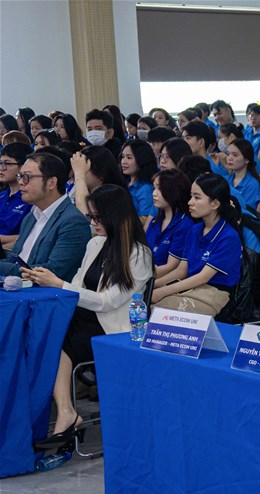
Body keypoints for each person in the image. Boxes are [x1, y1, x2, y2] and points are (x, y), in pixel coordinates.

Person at [27, 184, 151, 450]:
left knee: (58, 339)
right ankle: (64, 411)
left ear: (115, 217)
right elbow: (78, 284)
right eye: (90, 216)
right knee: (43, 331)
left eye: (97, 217)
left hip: (111, 327)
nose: (93, 223)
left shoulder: (138, 254)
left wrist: (59, 284)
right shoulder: (95, 243)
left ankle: (66, 413)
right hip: (82, 316)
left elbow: (107, 302)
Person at [151, 173, 241, 315]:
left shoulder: (229, 237)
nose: (190, 202)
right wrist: (151, 285)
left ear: (215, 204)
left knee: (159, 311)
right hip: (191, 288)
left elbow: (203, 277)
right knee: (148, 302)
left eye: (197, 198)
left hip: (215, 292)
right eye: (191, 196)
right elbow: (181, 271)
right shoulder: (194, 230)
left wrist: (162, 291)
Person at [0, 152, 91, 281]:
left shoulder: (73, 221)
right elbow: (14, 258)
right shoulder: (31, 217)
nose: (20, 182)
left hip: (45, 291)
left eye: (26, 177)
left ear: (51, 183)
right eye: (20, 176)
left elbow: (52, 271)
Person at [145, 169, 194, 269]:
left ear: (175, 191)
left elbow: (171, 266)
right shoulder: (155, 220)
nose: (154, 193)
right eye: (154, 188)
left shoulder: (184, 224)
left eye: (160, 189)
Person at [0, 143, 33, 248]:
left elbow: (31, 237)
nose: (2, 168)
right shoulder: (2, 196)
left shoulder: (31, 199)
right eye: (0, 163)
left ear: (23, 167)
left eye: (7, 163)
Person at [223, 138, 260, 213]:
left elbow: (247, 212)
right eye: (228, 154)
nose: (229, 158)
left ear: (247, 159)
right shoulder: (224, 180)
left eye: (235, 155)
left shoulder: (252, 184)